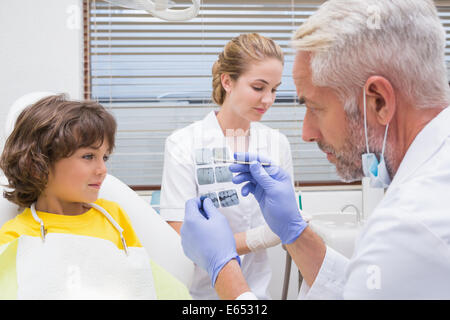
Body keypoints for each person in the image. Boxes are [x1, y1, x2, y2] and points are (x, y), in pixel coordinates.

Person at [180, 0, 450, 300]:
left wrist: (222, 265)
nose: (306, 133)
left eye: (314, 107)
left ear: (379, 101)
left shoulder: (408, 228)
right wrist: (295, 233)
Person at [0, 94, 191, 299]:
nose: (102, 170)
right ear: (39, 164)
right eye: (88, 156)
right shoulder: (16, 236)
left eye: (104, 157)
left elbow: (141, 280)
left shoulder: (113, 218)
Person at [159, 33, 295, 299]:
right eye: (259, 87)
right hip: (201, 296)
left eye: (275, 89)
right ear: (227, 81)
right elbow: (179, 237)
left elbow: (288, 218)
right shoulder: (183, 143)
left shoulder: (277, 143)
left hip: (258, 293)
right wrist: (259, 237)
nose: (268, 99)